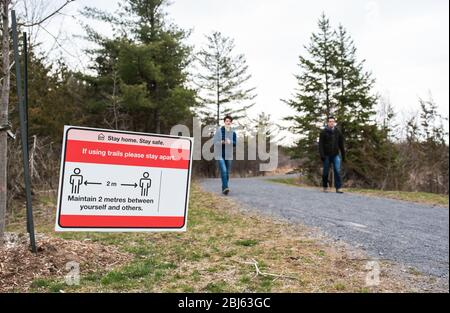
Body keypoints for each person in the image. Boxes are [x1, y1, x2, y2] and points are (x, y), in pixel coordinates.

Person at [319, 116, 346, 193]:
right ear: (327, 123)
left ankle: (338, 188)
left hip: (335, 155)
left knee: (337, 170)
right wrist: (322, 155)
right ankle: (325, 186)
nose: (332, 123)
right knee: (325, 172)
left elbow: (341, 145)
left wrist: (343, 156)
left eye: (333, 121)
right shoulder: (323, 132)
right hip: (326, 155)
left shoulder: (338, 132)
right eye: (330, 121)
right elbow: (320, 145)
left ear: (334, 122)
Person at [213, 115, 237, 195]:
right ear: (224, 122)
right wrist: (221, 142)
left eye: (229, 121)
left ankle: (224, 188)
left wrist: (230, 142)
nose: (228, 122)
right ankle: (226, 187)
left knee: (227, 173)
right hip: (219, 154)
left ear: (231, 123)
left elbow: (235, 143)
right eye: (226, 121)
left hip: (229, 155)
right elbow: (215, 142)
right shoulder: (219, 131)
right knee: (223, 170)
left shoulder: (233, 132)